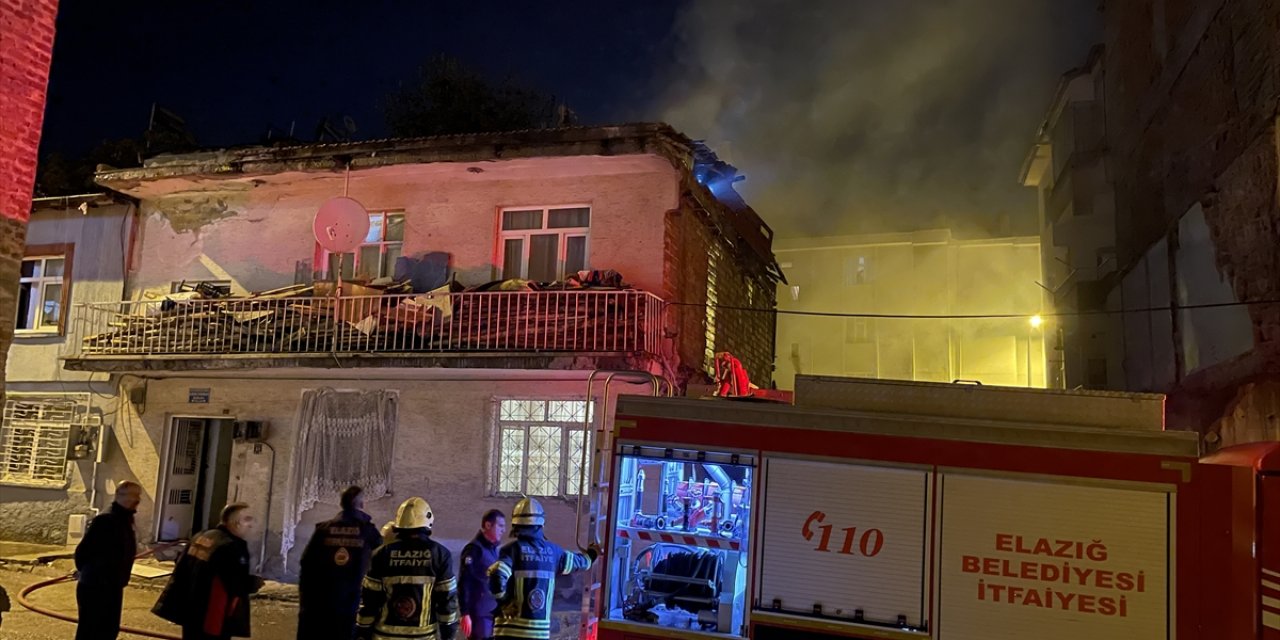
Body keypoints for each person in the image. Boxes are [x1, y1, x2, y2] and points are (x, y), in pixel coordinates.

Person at [487, 498, 599, 640]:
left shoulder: (510, 551)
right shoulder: (554, 552)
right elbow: (581, 562)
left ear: (515, 525)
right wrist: (593, 553)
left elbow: (497, 575)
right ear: (541, 525)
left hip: (508, 631)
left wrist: (504, 603)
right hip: (538, 634)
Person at [153, 503, 264, 640]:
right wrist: (254, 582)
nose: (251, 524)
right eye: (247, 519)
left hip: (190, 610)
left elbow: (182, 568)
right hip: (213, 615)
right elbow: (235, 583)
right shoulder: (231, 546)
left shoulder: (202, 536)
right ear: (235, 522)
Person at [356, 497, 460, 640]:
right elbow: (447, 601)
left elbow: (369, 600)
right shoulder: (440, 554)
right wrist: (449, 634)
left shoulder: (381, 554)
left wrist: (363, 631)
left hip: (385, 636)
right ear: (427, 522)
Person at [297, 486, 384, 640]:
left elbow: (307, 563)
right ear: (361, 504)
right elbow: (383, 559)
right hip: (350, 602)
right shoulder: (367, 531)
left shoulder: (324, 529)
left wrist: (305, 601)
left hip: (320, 602)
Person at [74, 480, 142, 640]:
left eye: (139, 495)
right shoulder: (106, 520)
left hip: (112, 585)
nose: (138, 499)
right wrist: (85, 572)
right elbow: (83, 551)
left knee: (108, 630)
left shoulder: (125, 519)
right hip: (96, 587)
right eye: (134, 495)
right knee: (92, 632)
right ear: (120, 495)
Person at [458, 510, 505, 640]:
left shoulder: (493, 550)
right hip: (479, 615)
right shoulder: (474, 550)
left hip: (492, 612)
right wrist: (465, 613)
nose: (503, 530)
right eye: (500, 526)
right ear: (488, 525)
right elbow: (464, 582)